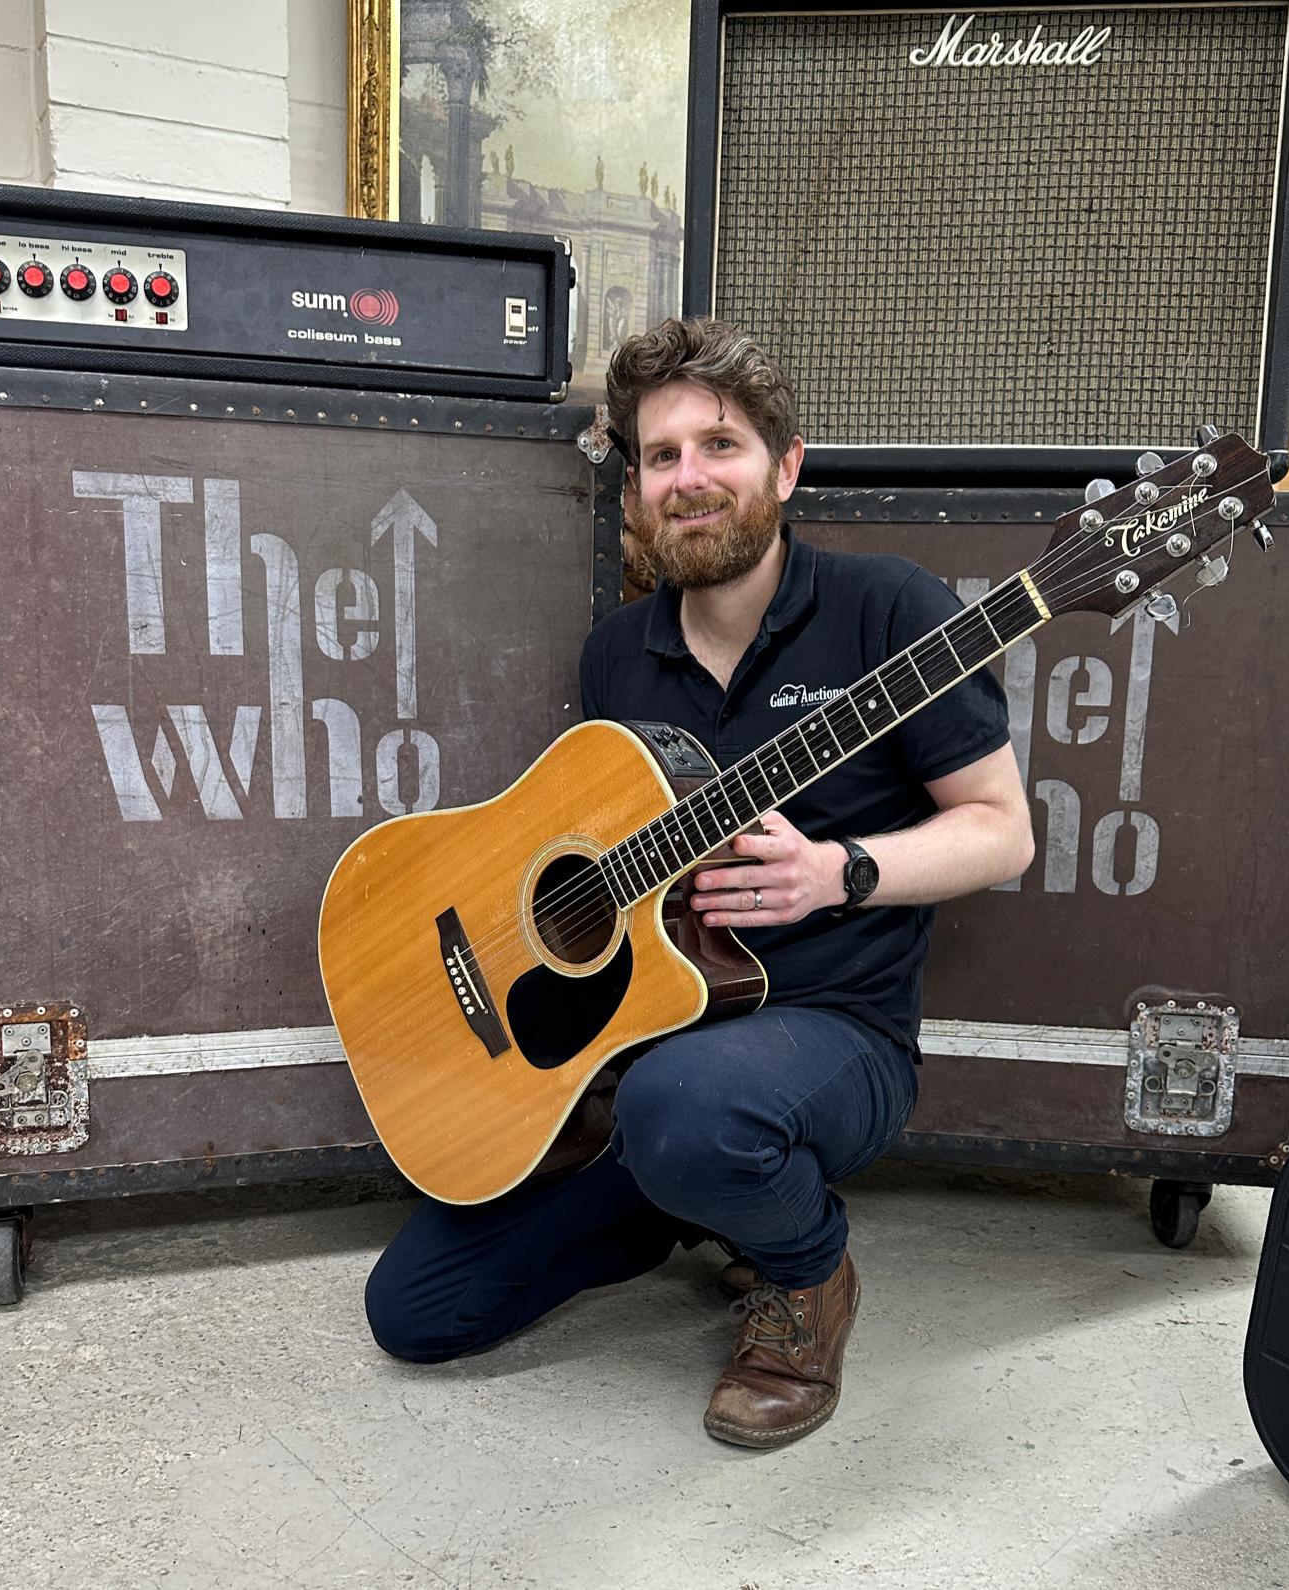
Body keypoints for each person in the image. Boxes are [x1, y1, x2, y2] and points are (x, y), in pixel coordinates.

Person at [365, 317, 1034, 1448]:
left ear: (786, 464)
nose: (689, 479)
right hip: (645, 1044)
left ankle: (806, 1273)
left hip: (834, 1031)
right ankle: (690, 1198)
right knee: (418, 1310)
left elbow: (1002, 831)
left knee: (689, 1105)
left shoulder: (891, 612)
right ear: (635, 488)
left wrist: (840, 871)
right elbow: (578, 853)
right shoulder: (618, 655)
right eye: (660, 456)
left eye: (718, 445)